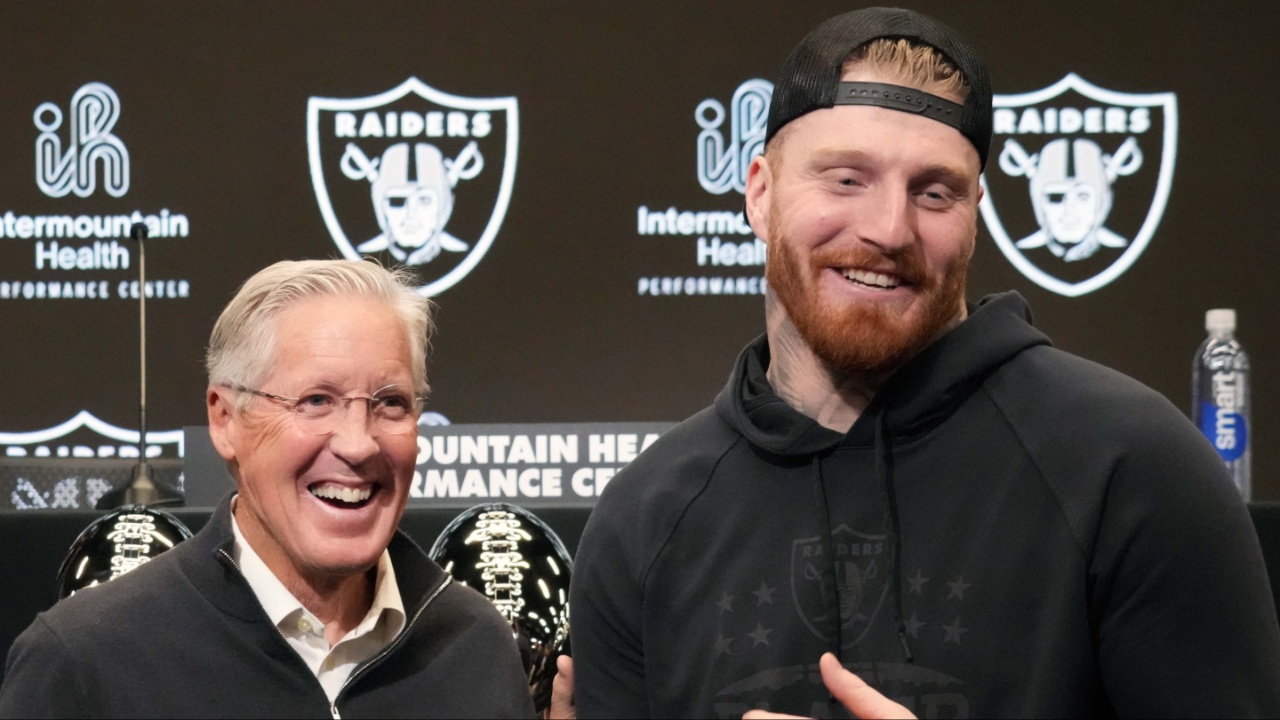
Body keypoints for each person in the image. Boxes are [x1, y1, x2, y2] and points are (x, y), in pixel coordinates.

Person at [569, 7, 1280, 719]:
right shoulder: (644, 519)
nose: (888, 228)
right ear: (760, 192)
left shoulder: (1134, 471)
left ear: (975, 211)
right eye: (847, 179)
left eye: (934, 192)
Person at [0, 259, 535, 718]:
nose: (358, 444)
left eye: (390, 402)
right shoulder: (86, 660)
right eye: (315, 401)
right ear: (226, 420)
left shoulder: (474, 645)